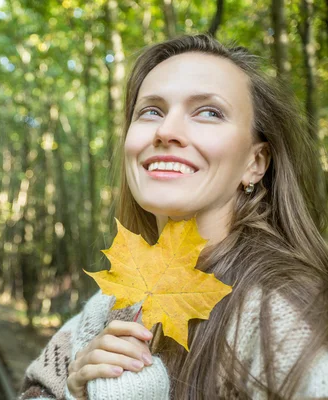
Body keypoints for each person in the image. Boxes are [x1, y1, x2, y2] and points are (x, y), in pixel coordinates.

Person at [19, 34, 328, 399]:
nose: (166, 131)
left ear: (255, 162)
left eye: (209, 112)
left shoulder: (290, 317)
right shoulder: (106, 308)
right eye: (151, 111)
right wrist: (76, 393)